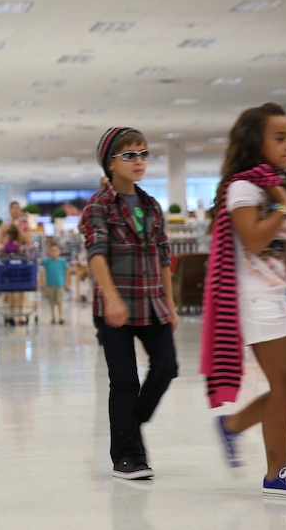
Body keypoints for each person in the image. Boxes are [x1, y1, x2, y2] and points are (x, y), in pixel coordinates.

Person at [202, 103, 286, 499]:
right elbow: (253, 238)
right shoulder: (242, 188)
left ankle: (233, 424)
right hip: (257, 301)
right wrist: (282, 205)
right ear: (256, 141)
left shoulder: (279, 186)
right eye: (279, 138)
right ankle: (277, 471)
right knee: (284, 384)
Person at [83, 127, 179, 480]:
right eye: (130, 155)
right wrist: (110, 298)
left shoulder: (151, 205)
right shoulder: (98, 205)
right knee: (124, 381)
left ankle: (130, 424)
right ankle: (126, 456)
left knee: (166, 367)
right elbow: (96, 254)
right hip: (115, 307)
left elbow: (164, 256)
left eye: (143, 153)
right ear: (110, 162)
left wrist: (170, 302)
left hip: (151, 302)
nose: (139, 161)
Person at [41, 242, 67, 325]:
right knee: (51, 301)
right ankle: (53, 317)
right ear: (49, 252)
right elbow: (39, 262)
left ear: (59, 251)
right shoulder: (47, 261)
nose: (54, 252)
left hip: (60, 284)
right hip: (50, 284)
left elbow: (66, 271)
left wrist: (67, 282)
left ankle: (60, 317)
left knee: (59, 301)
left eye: (56, 250)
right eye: (52, 251)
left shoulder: (62, 261)